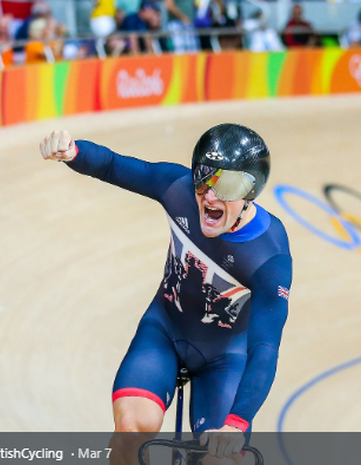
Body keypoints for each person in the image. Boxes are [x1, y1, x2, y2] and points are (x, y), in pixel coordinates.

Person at [39, 125, 292, 465]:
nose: (211, 196)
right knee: (130, 432)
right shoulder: (178, 189)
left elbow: (265, 349)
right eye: (204, 178)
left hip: (224, 359)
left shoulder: (268, 255)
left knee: (219, 459)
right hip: (164, 334)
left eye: (228, 185)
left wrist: (236, 423)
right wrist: (74, 152)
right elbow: (113, 165)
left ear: (251, 191)